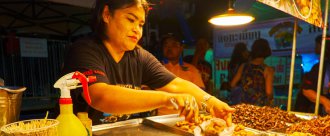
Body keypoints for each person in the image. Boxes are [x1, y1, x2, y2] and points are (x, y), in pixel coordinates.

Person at [61, 0, 233, 125]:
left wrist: (212, 102)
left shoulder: (139, 56)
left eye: (141, 23)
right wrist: (167, 99)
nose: (137, 29)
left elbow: (176, 85)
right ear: (107, 14)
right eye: (130, 19)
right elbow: (100, 96)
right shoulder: (84, 50)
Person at [230, 38, 274, 106]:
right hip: (259, 108)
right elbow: (269, 92)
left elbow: (232, 84)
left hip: (244, 106)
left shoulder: (243, 66)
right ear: (267, 51)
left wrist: (245, 89)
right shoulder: (268, 70)